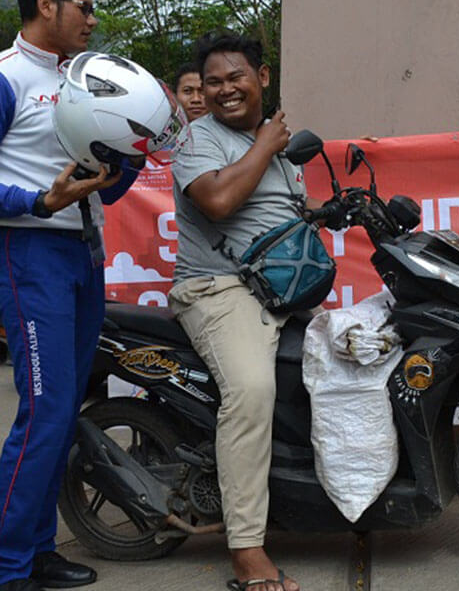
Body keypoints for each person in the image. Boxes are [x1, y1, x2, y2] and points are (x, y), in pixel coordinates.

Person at [0, 0, 139, 591]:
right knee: (45, 411)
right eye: (84, 5)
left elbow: (104, 189)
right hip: (30, 257)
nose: (92, 19)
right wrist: (35, 202)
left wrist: (135, 147)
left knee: (64, 408)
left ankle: (36, 549)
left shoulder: (86, 79)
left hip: (83, 255)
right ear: (47, 4)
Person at [169, 32, 302, 591]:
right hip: (218, 290)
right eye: (212, 82)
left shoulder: (274, 151)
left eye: (236, 78)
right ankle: (247, 548)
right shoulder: (201, 139)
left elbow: (277, 212)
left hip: (277, 292)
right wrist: (267, 145)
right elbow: (219, 201)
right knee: (251, 392)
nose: (224, 90)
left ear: (262, 78)